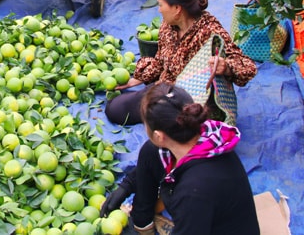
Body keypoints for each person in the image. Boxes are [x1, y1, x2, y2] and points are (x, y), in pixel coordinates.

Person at [101, 83, 260, 235]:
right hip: (200, 213)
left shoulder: (193, 191)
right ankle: (142, 222)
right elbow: (153, 156)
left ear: (159, 135)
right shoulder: (206, 136)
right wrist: (126, 186)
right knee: (151, 151)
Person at [105, 0, 257, 125]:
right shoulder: (168, 26)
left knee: (173, 128)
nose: (159, 10)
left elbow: (247, 66)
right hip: (165, 89)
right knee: (115, 108)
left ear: (177, 8)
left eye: (161, 5)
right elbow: (160, 60)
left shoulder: (210, 30)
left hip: (192, 100)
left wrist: (227, 67)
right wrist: (139, 78)